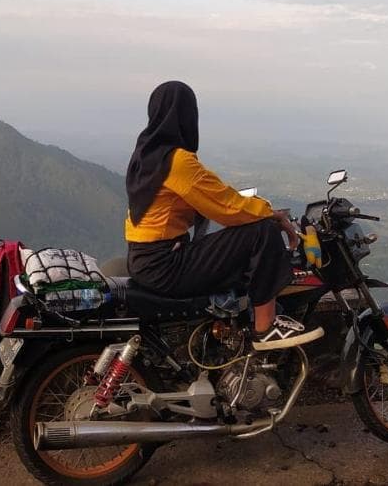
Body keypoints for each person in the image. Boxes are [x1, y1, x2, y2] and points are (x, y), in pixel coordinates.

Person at [125, 81, 323, 350]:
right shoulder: (176, 161)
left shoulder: (146, 156)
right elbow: (227, 208)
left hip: (144, 259)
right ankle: (265, 328)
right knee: (260, 232)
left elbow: (211, 192)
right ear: (186, 115)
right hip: (166, 264)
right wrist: (272, 215)